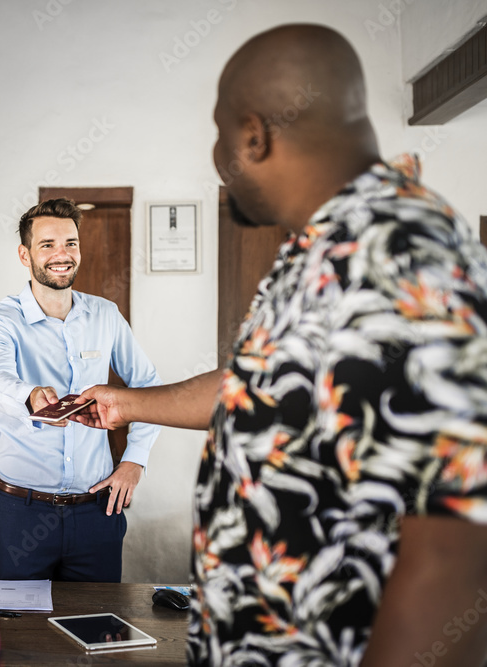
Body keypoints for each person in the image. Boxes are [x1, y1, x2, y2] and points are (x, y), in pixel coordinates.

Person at [73, 24, 487, 666]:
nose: (216, 154)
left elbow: (459, 555)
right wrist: (128, 405)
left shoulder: (404, 259)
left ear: (253, 135)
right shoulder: (324, 251)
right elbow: (265, 385)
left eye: (218, 132)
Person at [0, 198, 163, 582]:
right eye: (47, 245)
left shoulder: (106, 314)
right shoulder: (0, 319)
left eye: (71, 243)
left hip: (96, 513)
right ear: (24, 255)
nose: (62, 254)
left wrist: (135, 461)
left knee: (94, 629)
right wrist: (30, 396)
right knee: (15, 634)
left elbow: (148, 385)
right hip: (17, 513)